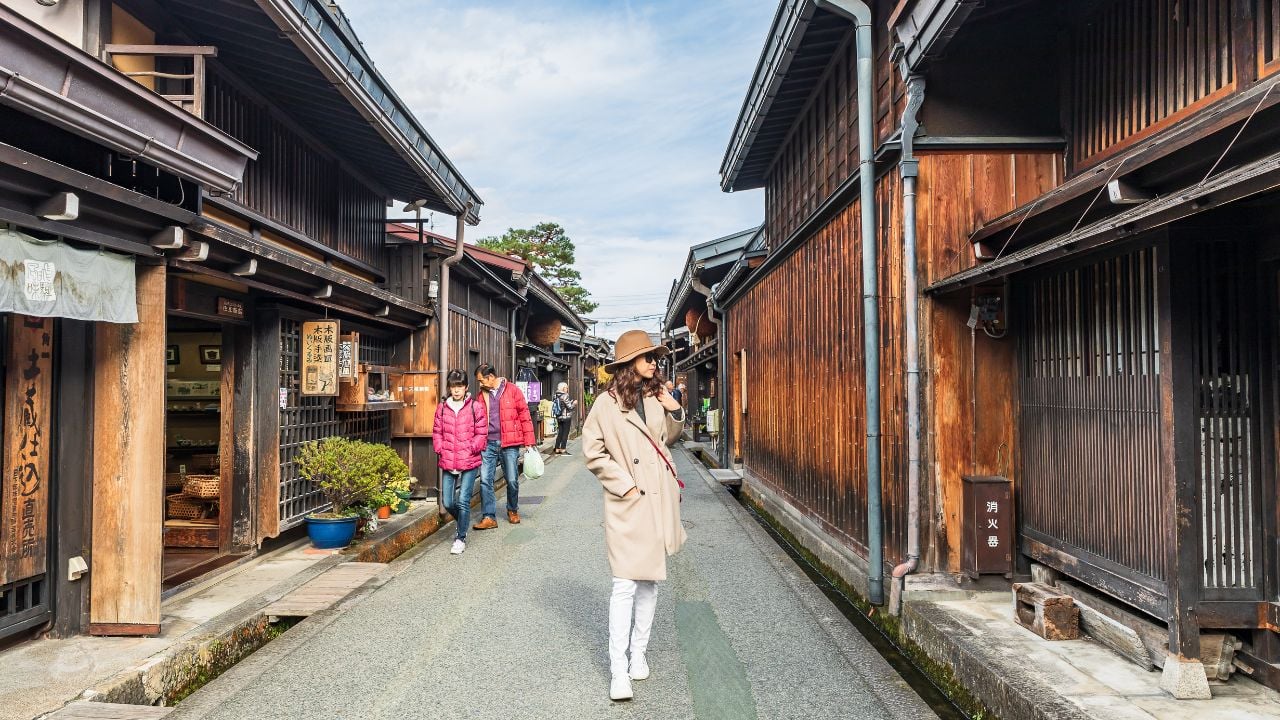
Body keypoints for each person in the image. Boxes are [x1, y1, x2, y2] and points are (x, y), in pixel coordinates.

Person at [582, 330, 686, 702]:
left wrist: (674, 407)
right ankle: (618, 669)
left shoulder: (655, 396)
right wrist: (623, 485)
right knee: (624, 584)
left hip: (657, 498)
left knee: (650, 582)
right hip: (628, 501)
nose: (654, 362)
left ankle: (639, 653)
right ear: (629, 364)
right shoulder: (605, 404)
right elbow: (592, 451)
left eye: (654, 357)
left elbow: (668, 440)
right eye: (647, 357)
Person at [473, 363, 536, 528]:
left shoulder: (513, 390)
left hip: (510, 443)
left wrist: (529, 442)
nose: (480, 384)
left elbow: (525, 415)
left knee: (512, 479)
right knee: (486, 480)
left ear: (491, 377)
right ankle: (489, 517)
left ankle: (512, 509)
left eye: (481, 381)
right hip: (488, 443)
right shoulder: (482, 396)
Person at [432, 370, 487, 555]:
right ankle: (463, 520)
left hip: (469, 459)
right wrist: (440, 447)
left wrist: (473, 447)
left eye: (459, 386)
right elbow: (437, 431)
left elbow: (482, 432)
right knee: (447, 502)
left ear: (466, 388)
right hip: (449, 459)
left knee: (463, 501)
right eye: (453, 387)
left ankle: (460, 538)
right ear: (449, 387)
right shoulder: (442, 408)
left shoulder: (475, 407)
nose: (456, 390)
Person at [551, 382, 577, 455]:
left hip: (558, 416)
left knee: (560, 432)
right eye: (566, 387)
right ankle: (563, 449)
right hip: (566, 417)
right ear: (563, 388)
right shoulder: (565, 395)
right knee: (565, 433)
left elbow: (561, 405)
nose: (567, 389)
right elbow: (570, 407)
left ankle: (557, 448)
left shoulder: (555, 395)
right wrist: (574, 403)